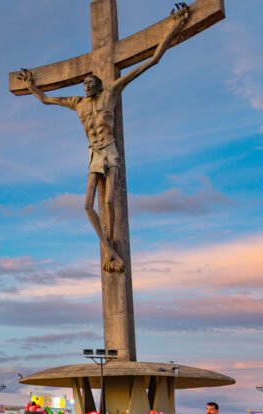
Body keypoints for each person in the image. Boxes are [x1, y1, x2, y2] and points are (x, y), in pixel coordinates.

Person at [17, 2, 190, 273]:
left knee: (109, 202)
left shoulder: (110, 92)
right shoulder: (78, 103)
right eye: (84, 84)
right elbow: (47, 100)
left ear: (98, 84)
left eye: (90, 83)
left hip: (109, 149)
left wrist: (173, 27)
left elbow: (151, 61)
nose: (86, 86)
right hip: (93, 153)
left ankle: (115, 252)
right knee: (87, 206)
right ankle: (109, 251)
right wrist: (30, 86)